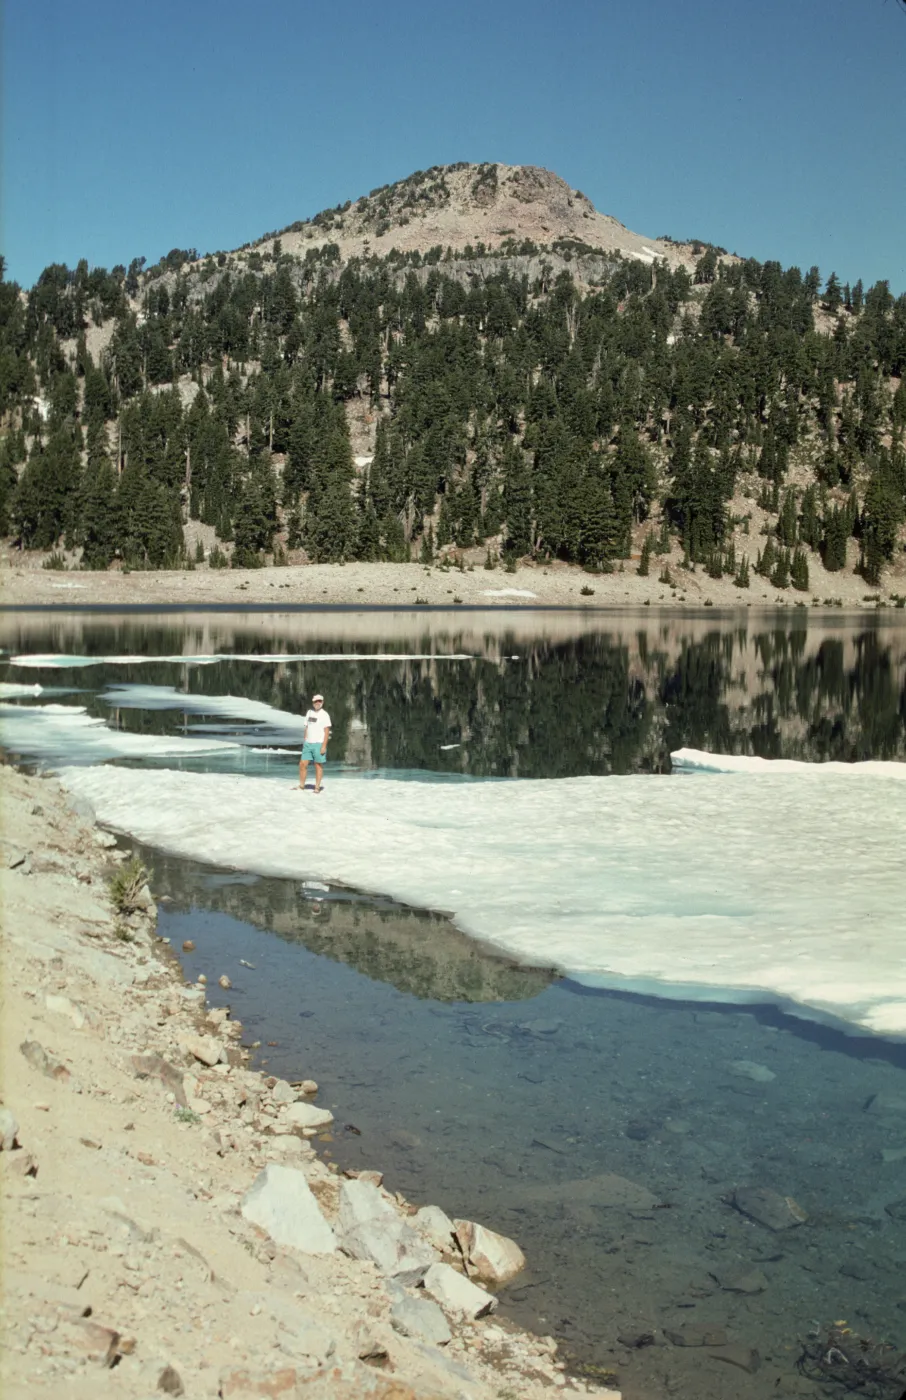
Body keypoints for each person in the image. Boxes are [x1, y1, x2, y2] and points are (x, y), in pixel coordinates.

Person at [299, 693, 331, 793]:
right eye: (316, 701)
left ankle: (317, 787)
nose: (318, 703)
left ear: (322, 702)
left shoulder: (324, 715)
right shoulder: (309, 712)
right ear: (313, 702)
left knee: (318, 765)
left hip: (319, 743)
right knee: (302, 764)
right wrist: (305, 739)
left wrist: (324, 746)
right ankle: (301, 786)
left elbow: (326, 731)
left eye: (320, 701)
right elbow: (306, 727)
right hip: (308, 743)